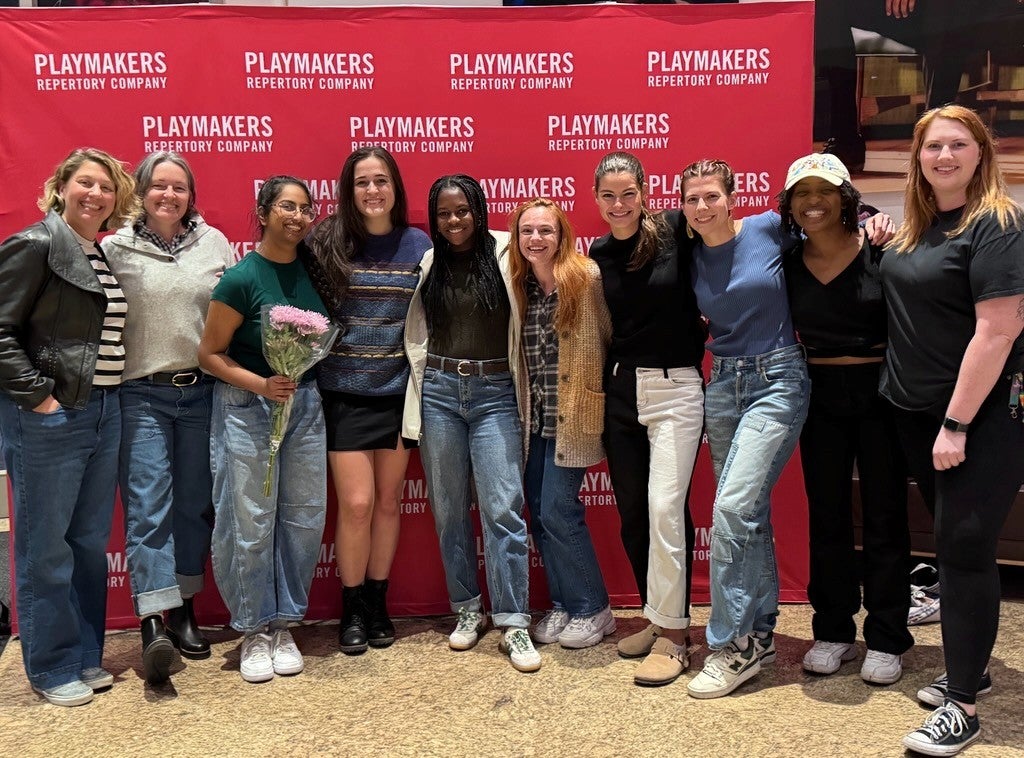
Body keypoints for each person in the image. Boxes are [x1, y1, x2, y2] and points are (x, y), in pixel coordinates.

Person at [880, 105, 1024, 757]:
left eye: (958, 145)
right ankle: (975, 666)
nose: (945, 156)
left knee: (963, 549)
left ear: (981, 153)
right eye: (933, 145)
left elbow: (998, 330)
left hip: (977, 417)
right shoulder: (917, 228)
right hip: (916, 413)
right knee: (952, 545)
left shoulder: (998, 222)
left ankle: (961, 704)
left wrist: (957, 423)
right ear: (917, 156)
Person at [0, 147, 138, 706]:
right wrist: (40, 398)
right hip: (52, 418)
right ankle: (52, 665)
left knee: (86, 543)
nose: (96, 194)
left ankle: (83, 654)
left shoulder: (96, 251)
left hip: (104, 409)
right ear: (61, 187)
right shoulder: (36, 244)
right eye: (85, 183)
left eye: (106, 187)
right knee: (46, 547)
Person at [779, 152, 913, 684]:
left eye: (825, 191)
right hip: (819, 396)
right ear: (790, 204)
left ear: (846, 199)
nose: (813, 202)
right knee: (828, 516)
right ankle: (833, 630)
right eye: (802, 193)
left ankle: (887, 637)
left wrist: (881, 222)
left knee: (885, 515)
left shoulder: (882, 248)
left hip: (881, 394)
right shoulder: (787, 260)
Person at [680, 158, 811, 699]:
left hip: (778, 377)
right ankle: (759, 636)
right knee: (748, 513)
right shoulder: (688, 254)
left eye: (712, 195)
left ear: (732, 197)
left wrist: (873, 219)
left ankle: (731, 645)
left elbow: (827, 224)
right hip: (723, 383)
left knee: (732, 509)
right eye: (692, 199)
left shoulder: (767, 227)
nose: (703, 206)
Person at [102, 151, 234, 684]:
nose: (169, 196)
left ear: (191, 196)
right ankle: (153, 623)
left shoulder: (214, 243)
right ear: (140, 191)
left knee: (195, 506)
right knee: (148, 505)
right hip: (141, 393)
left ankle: (184, 610)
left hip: (202, 392)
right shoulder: (115, 248)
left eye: (179, 188)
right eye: (159, 186)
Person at [402, 174, 540, 672]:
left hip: (496, 392)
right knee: (449, 509)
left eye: (462, 210)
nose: (454, 220)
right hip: (439, 392)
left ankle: (513, 621)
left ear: (479, 210)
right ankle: (466, 608)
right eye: (443, 213)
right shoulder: (429, 262)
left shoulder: (507, 252)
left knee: (503, 508)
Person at [198, 176, 330, 684]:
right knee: (249, 520)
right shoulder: (241, 278)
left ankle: (284, 624)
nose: (297, 216)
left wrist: (290, 382)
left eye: (305, 208)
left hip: (304, 404)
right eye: (286, 207)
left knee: (303, 517)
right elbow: (209, 354)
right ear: (263, 212)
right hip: (247, 406)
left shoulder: (315, 271)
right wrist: (262, 384)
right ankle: (253, 627)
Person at [589, 152, 706, 686]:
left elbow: (737, 233)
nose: (619, 204)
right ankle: (657, 620)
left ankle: (677, 639)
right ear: (596, 199)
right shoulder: (598, 252)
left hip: (674, 387)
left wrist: (867, 220)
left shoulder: (677, 228)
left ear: (645, 192)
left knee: (664, 509)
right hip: (620, 390)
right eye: (608, 195)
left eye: (628, 194)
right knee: (635, 514)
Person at [308, 147, 430, 654]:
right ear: (348, 190)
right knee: (356, 505)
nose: (373, 190)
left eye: (381, 180)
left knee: (387, 502)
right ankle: (352, 605)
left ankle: (377, 603)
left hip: (398, 395)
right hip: (343, 393)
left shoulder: (419, 245)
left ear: (395, 187)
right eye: (362, 182)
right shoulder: (325, 241)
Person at [507, 198, 615, 649]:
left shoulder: (586, 277)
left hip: (575, 416)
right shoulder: (519, 286)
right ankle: (564, 604)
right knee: (538, 509)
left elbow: (609, 336)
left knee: (558, 509)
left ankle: (593, 607)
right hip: (535, 419)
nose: (536, 239)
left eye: (545, 230)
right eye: (527, 231)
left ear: (562, 235)